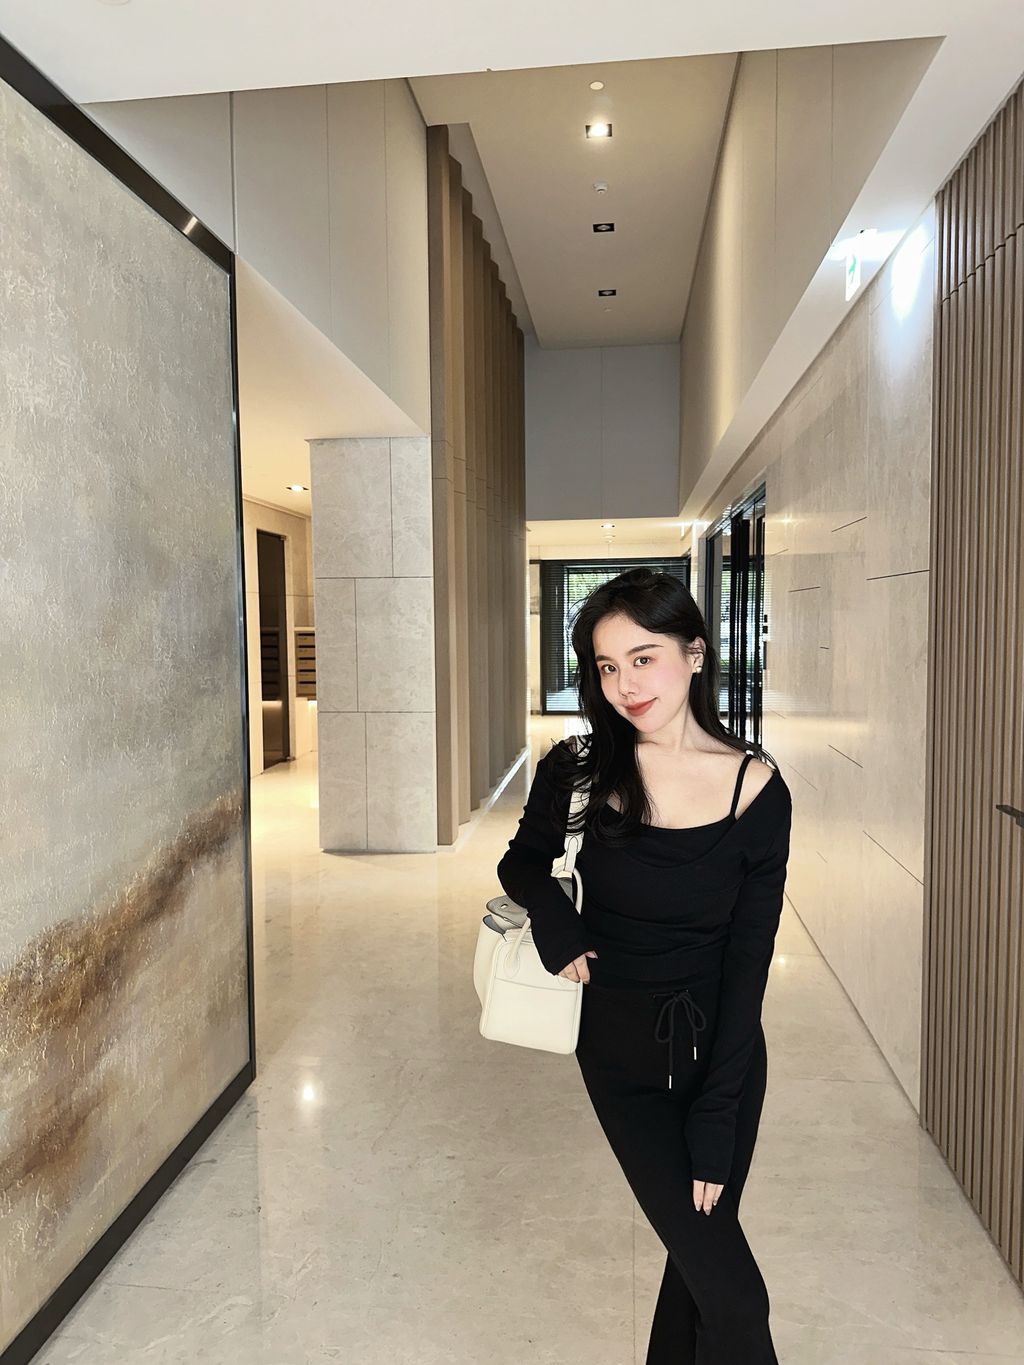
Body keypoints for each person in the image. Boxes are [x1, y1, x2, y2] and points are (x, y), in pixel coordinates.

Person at [496, 567, 791, 1364]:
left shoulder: (758, 791)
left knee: (700, 1277)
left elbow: (750, 960)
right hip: (620, 1058)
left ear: (695, 653)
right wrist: (555, 916)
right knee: (731, 1291)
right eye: (606, 665)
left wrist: (717, 1114)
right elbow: (521, 862)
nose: (625, 684)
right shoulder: (581, 767)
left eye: (643, 657)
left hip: (723, 1060)